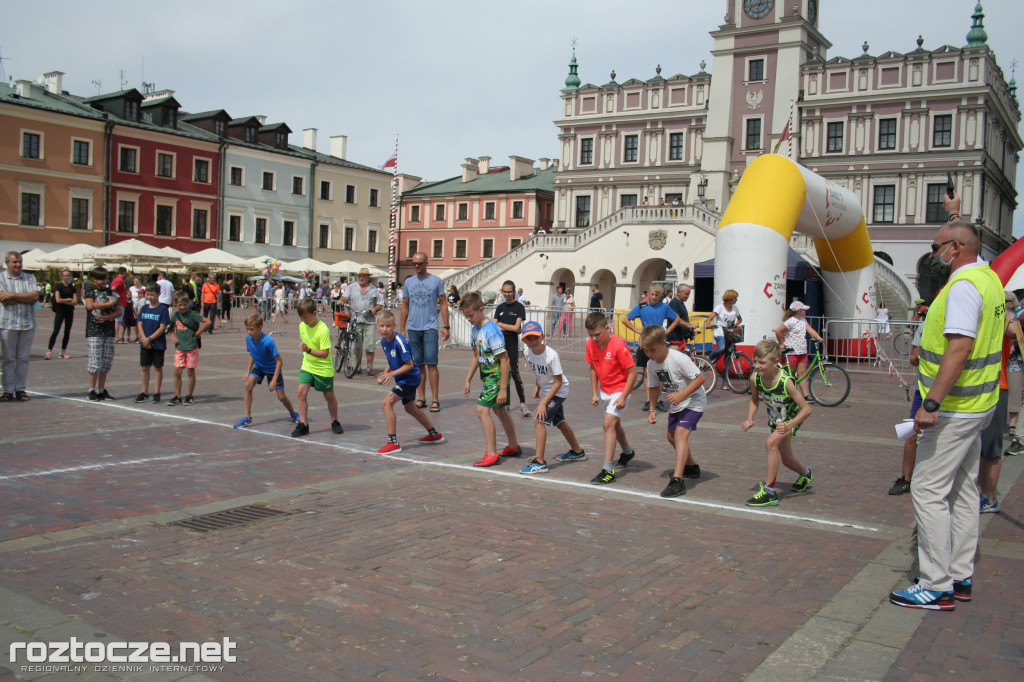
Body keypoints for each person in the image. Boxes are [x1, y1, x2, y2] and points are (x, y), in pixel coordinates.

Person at [888, 194, 1002, 611]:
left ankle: (936, 584)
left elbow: (959, 348)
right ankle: (960, 574)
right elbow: (964, 235)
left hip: (955, 406)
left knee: (928, 488)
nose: (932, 254)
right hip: (979, 403)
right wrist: (954, 214)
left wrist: (930, 404)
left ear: (955, 249)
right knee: (963, 489)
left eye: (936, 247)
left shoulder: (962, 288)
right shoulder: (987, 277)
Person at [741, 339, 814, 507]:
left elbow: (806, 409)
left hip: (791, 419)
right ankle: (805, 474)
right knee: (787, 461)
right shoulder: (755, 379)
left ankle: (769, 492)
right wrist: (750, 418)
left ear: (775, 362)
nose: (757, 365)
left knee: (771, 443)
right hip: (777, 420)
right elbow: (754, 401)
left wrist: (789, 425)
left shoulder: (785, 381)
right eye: (755, 361)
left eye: (762, 362)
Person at [641, 324, 707, 497]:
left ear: (664, 343)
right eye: (646, 350)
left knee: (680, 436)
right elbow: (654, 387)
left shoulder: (678, 358)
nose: (649, 354)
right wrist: (652, 409)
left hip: (694, 400)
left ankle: (678, 481)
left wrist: (682, 394)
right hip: (677, 403)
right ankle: (691, 467)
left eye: (652, 350)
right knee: (671, 437)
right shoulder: (651, 364)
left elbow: (701, 378)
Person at [460, 292, 521, 467]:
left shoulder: (491, 331)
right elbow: (476, 355)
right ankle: (513, 446)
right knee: (500, 411)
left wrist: (503, 387)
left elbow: (504, 359)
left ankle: (492, 453)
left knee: (482, 410)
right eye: (466, 316)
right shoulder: (475, 330)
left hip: (496, 376)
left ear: (481, 310)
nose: (469, 319)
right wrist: (468, 379)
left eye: (471, 315)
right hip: (488, 377)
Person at [374, 309, 445, 454]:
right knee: (410, 408)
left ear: (394, 326)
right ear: (377, 326)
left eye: (388, 326)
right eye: (381, 326)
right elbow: (392, 359)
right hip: (403, 378)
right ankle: (434, 435)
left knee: (386, 403)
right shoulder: (383, 341)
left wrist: (392, 374)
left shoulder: (400, 341)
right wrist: (387, 372)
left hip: (410, 378)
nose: (384, 329)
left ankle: (393, 442)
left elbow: (409, 364)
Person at [518, 320, 585, 474]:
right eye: (529, 338)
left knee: (539, 420)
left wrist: (543, 402)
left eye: (536, 337)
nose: (533, 341)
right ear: (523, 340)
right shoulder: (528, 352)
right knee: (560, 422)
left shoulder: (551, 355)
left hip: (559, 390)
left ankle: (540, 462)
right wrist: (537, 386)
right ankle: (577, 452)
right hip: (548, 390)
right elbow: (539, 372)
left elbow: (558, 381)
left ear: (543, 336)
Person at [584, 311, 638, 485]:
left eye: (597, 334)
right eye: (590, 335)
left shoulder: (619, 346)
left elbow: (632, 373)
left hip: (621, 389)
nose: (594, 338)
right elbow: (593, 368)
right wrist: (594, 392)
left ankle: (608, 470)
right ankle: (627, 451)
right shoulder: (590, 344)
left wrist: (623, 396)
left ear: (607, 328)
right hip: (606, 390)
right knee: (615, 424)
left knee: (608, 423)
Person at [977, 292, 1016, 514]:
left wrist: (1006, 315)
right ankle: (977, 492)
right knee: (977, 444)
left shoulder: (1005, 317)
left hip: (997, 387)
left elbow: (1012, 331)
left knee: (991, 446)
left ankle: (989, 497)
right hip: (975, 387)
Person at [401, 252, 450, 413]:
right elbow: (405, 305)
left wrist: (446, 326)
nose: (417, 266)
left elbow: (443, 303)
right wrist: (402, 327)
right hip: (413, 327)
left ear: (426, 263)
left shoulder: (435, 281)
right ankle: (421, 398)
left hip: (430, 327)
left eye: (420, 263)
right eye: (414, 263)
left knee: (432, 364)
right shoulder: (408, 282)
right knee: (418, 365)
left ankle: (435, 399)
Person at [233, 313, 300, 429]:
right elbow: (252, 354)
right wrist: (247, 371)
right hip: (259, 367)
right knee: (248, 385)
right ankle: (247, 417)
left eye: (252, 329)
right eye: (247, 329)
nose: (249, 332)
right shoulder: (249, 339)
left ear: (260, 327)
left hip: (272, 369)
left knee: (281, 397)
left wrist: (274, 380)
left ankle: (294, 414)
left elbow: (279, 361)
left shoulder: (268, 341)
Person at [622, 284, 683, 411]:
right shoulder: (642, 306)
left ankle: (658, 399)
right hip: (645, 342)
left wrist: (667, 331)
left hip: (659, 341)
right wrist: (638, 331)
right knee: (646, 372)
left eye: (657, 295)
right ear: (648, 293)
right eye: (652, 294)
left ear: (660, 296)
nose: (654, 297)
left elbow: (677, 319)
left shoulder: (664, 306)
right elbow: (625, 320)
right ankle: (649, 399)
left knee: (660, 371)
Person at [293, 298, 343, 437]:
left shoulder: (323, 329)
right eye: (301, 318)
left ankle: (335, 420)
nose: (304, 320)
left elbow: (324, 353)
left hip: (323, 368)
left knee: (328, 395)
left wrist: (308, 350)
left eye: (306, 317)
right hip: (308, 365)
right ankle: (303, 424)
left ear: (314, 313)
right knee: (301, 392)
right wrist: (307, 351)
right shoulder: (302, 326)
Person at [0, 251, 40, 402]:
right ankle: (8, 390)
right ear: (7, 263)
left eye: (19, 262)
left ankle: (21, 389)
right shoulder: (1, 278)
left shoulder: (30, 277)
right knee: (9, 358)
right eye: (14, 262)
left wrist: (12, 295)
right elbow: (3, 299)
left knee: (23, 358)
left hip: (27, 323)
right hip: (7, 323)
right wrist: (25, 298)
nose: (17, 265)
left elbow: (35, 297)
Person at [890, 324, 923, 496]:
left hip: (950, 392)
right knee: (912, 433)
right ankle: (906, 478)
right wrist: (920, 356)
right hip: (923, 389)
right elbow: (913, 357)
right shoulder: (925, 326)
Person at [83, 267, 122, 401]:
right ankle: (91, 390)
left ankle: (101, 389)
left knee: (106, 361)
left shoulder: (110, 292)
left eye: (106, 278)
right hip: (94, 330)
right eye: (101, 279)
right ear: (94, 279)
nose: (104, 281)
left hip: (108, 330)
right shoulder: (89, 289)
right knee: (95, 361)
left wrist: (106, 317)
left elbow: (118, 311)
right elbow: (89, 305)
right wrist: (107, 305)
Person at [494, 280, 531, 418]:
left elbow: (517, 328)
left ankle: (523, 404)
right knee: (503, 373)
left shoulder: (519, 307)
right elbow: (494, 325)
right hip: (499, 342)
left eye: (509, 291)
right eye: (504, 291)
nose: (506, 294)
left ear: (514, 292)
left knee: (514, 372)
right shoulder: (500, 307)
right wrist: (507, 327)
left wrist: (502, 325)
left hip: (511, 342)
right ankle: (505, 402)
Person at [167, 291, 211, 406]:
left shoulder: (192, 314)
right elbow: (171, 327)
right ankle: (177, 396)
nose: (182, 307)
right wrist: (173, 337)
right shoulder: (176, 315)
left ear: (188, 304)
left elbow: (207, 322)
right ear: (176, 304)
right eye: (180, 305)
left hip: (191, 346)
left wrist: (199, 332)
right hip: (180, 347)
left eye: (185, 304)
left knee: (190, 371)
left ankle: (189, 395)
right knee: (177, 371)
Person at [340, 268, 383, 376]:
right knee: (356, 346)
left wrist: (374, 309)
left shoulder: (374, 289)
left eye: (364, 276)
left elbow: (380, 303)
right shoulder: (351, 287)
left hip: (370, 321)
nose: (361, 278)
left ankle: (369, 367)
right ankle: (357, 366)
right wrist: (341, 301)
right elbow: (344, 297)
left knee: (370, 345)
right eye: (359, 276)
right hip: (356, 320)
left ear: (368, 278)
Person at [134, 288, 171, 404]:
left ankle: (156, 392)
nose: (149, 297)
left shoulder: (163, 309)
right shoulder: (144, 308)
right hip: (145, 343)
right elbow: (139, 324)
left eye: (152, 294)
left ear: (159, 294)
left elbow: (162, 327)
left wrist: (150, 339)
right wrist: (144, 339)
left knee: (157, 368)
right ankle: (144, 392)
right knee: (145, 367)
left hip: (158, 343)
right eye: (148, 295)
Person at [775, 300, 824, 380]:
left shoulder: (803, 320)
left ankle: (805, 393)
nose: (805, 311)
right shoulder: (790, 321)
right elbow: (778, 331)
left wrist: (819, 337)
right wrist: (781, 343)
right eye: (803, 309)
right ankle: (788, 390)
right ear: (799, 311)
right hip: (792, 351)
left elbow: (810, 329)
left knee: (802, 374)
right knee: (791, 375)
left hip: (802, 351)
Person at [1004, 294, 1024, 457]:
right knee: (1016, 394)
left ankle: (1019, 436)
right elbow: (1013, 332)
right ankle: (1016, 432)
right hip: (1017, 358)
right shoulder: (1017, 313)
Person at [704, 290, 742, 364]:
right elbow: (709, 318)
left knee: (729, 354)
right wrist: (708, 324)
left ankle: (725, 375)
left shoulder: (735, 308)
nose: (736, 300)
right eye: (735, 298)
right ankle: (708, 359)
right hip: (720, 332)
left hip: (729, 333)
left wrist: (735, 325)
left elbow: (740, 319)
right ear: (731, 298)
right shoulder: (720, 307)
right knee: (721, 348)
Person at [46, 269, 77, 360]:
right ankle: (49, 351)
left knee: (67, 331)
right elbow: (57, 300)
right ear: (61, 276)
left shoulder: (72, 287)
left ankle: (63, 351)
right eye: (65, 275)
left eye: (68, 275)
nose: (67, 277)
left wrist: (65, 301)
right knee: (56, 331)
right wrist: (68, 300)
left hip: (69, 311)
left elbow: (75, 301)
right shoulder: (58, 286)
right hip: (60, 311)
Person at [111, 267, 131, 344]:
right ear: (123, 272)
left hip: (119, 302)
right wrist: (116, 297)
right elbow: (113, 289)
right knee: (118, 321)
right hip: (120, 303)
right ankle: (116, 337)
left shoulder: (116, 279)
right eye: (126, 273)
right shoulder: (119, 280)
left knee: (117, 321)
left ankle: (116, 337)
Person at [127, 276, 144, 343]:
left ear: (140, 281)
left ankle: (141, 336)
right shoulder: (131, 288)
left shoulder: (143, 288)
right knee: (134, 322)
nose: (136, 282)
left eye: (137, 281)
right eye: (134, 281)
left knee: (140, 322)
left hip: (141, 306)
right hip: (133, 306)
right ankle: (136, 336)